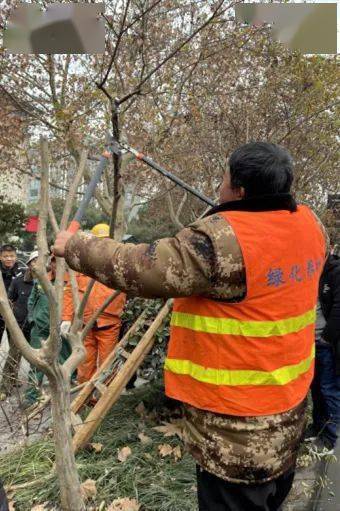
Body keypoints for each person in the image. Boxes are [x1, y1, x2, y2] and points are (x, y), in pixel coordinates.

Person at [54, 142, 327, 511]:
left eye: (224, 178)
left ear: (239, 190)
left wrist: (76, 245)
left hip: (235, 437)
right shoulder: (312, 226)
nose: (219, 186)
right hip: (288, 420)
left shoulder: (221, 241)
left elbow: (141, 266)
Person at [61, 224, 126, 383]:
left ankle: (102, 401)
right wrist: (66, 318)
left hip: (109, 324)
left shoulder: (118, 266)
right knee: (84, 364)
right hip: (86, 324)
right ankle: (84, 399)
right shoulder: (81, 266)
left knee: (106, 365)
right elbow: (70, 291)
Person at [305, 245, 340, 454]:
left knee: (329, 390)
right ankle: (317, 427)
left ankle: (330, 437)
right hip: (310, 345)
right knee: (315, 389)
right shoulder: (308, 273)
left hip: (327, 345)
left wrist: (327, 337)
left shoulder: (334, 272)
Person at [24, 255, 70, 406]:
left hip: (61, 329)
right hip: (39, 330)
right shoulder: (41, 281)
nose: (57, 266)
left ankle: (63, 395)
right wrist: (32, 319)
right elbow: (31, 301)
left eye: (61, 263)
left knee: (65, 361)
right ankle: (31, 397)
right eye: (55, 262)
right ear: (51, 264)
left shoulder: (70, 282)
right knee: (38, 362)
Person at [0, 251, 37, 397]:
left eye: (40, 261)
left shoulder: (48, 280)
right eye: (34, 261)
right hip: (20, 325)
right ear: (28, 264)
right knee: (14, 355)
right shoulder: (18, 281)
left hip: (38, 327)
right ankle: (4, 388)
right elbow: (10, 300)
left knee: (39, 360)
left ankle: (34, 392)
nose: (36, 264)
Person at [0, 244, 26, 344]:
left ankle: (12, 360)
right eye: (5, 256)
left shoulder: (22, 273)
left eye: (11, 256)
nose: (9, 259)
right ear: (0, 257)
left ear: (16, 257)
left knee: (16, 347)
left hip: (15, 317)